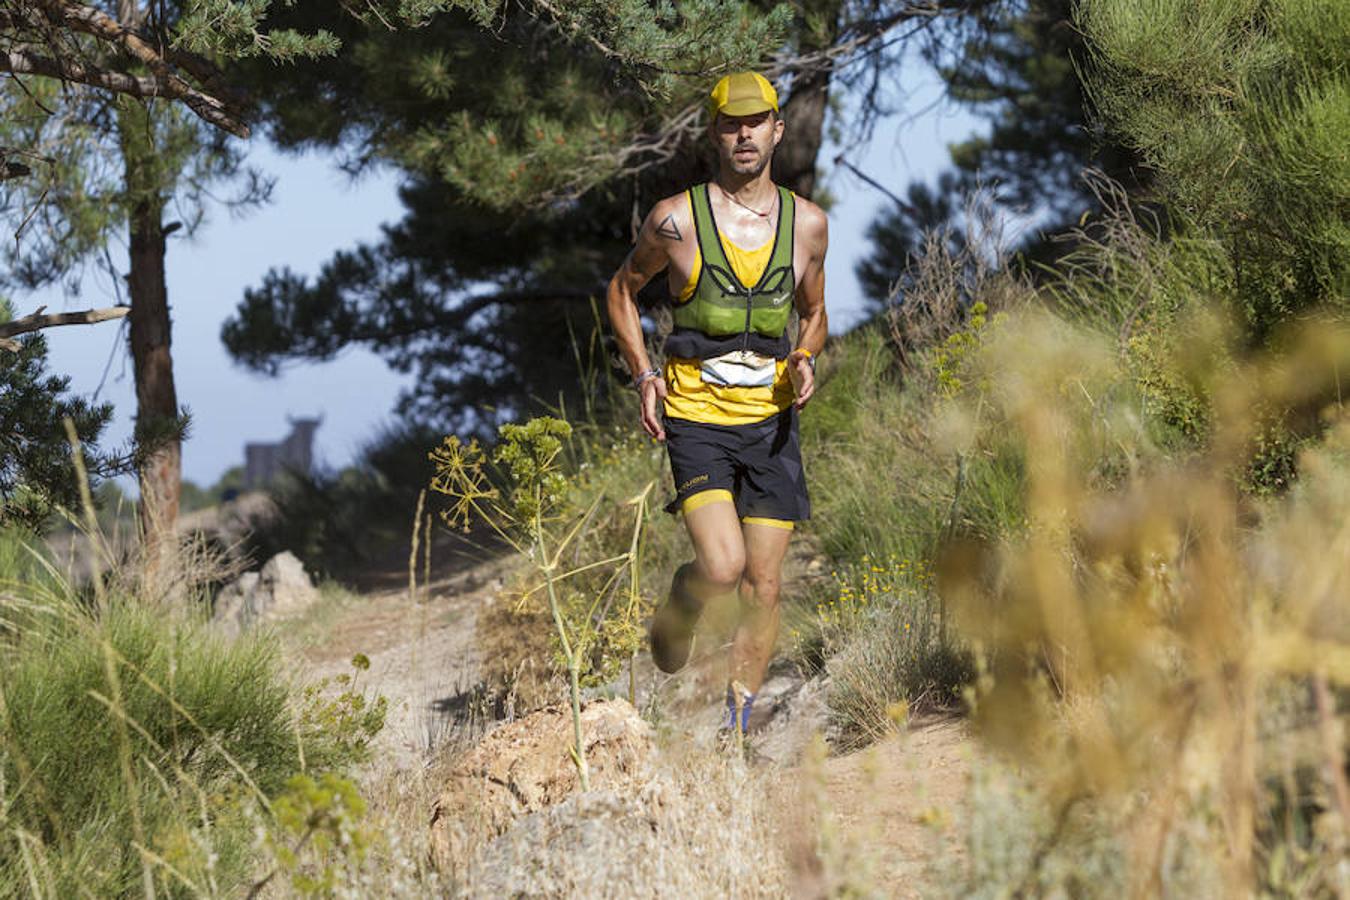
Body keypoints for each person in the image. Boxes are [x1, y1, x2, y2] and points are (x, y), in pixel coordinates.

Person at [605, 71, 828, 736]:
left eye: (756, 121)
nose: (744, 134)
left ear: (777, 129)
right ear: (714, 132)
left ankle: (736, 732)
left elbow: (815, 314)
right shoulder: (675, 221)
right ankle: (686, 595)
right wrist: (644, 374)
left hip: (772, 422)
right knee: (724, 568)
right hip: (697, 417)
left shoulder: (808, 225)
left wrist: (806, 355)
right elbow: (621, 291)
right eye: (731, 123)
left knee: (764, 584)